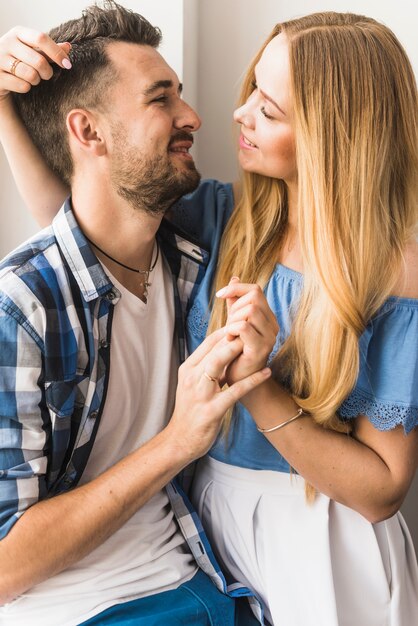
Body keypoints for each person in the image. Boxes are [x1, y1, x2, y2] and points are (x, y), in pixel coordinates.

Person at [1, 9, 418, 626]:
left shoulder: (394, 275)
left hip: (320, 541)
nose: (234, 114)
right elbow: (80, 218)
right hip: (208, 530)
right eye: (251, 89)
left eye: (268, 110)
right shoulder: (226, 221)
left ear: (335, 138)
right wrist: (7, 105)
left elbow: (382, 489)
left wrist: (257, 386)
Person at [0, 3, 274, 626]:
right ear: (89, 133)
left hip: (208, 584)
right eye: (161, 99)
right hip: (86, 609)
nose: (193, 117)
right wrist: (178, 441)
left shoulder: (191, 255)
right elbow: (4, 566)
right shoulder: (18, 307)